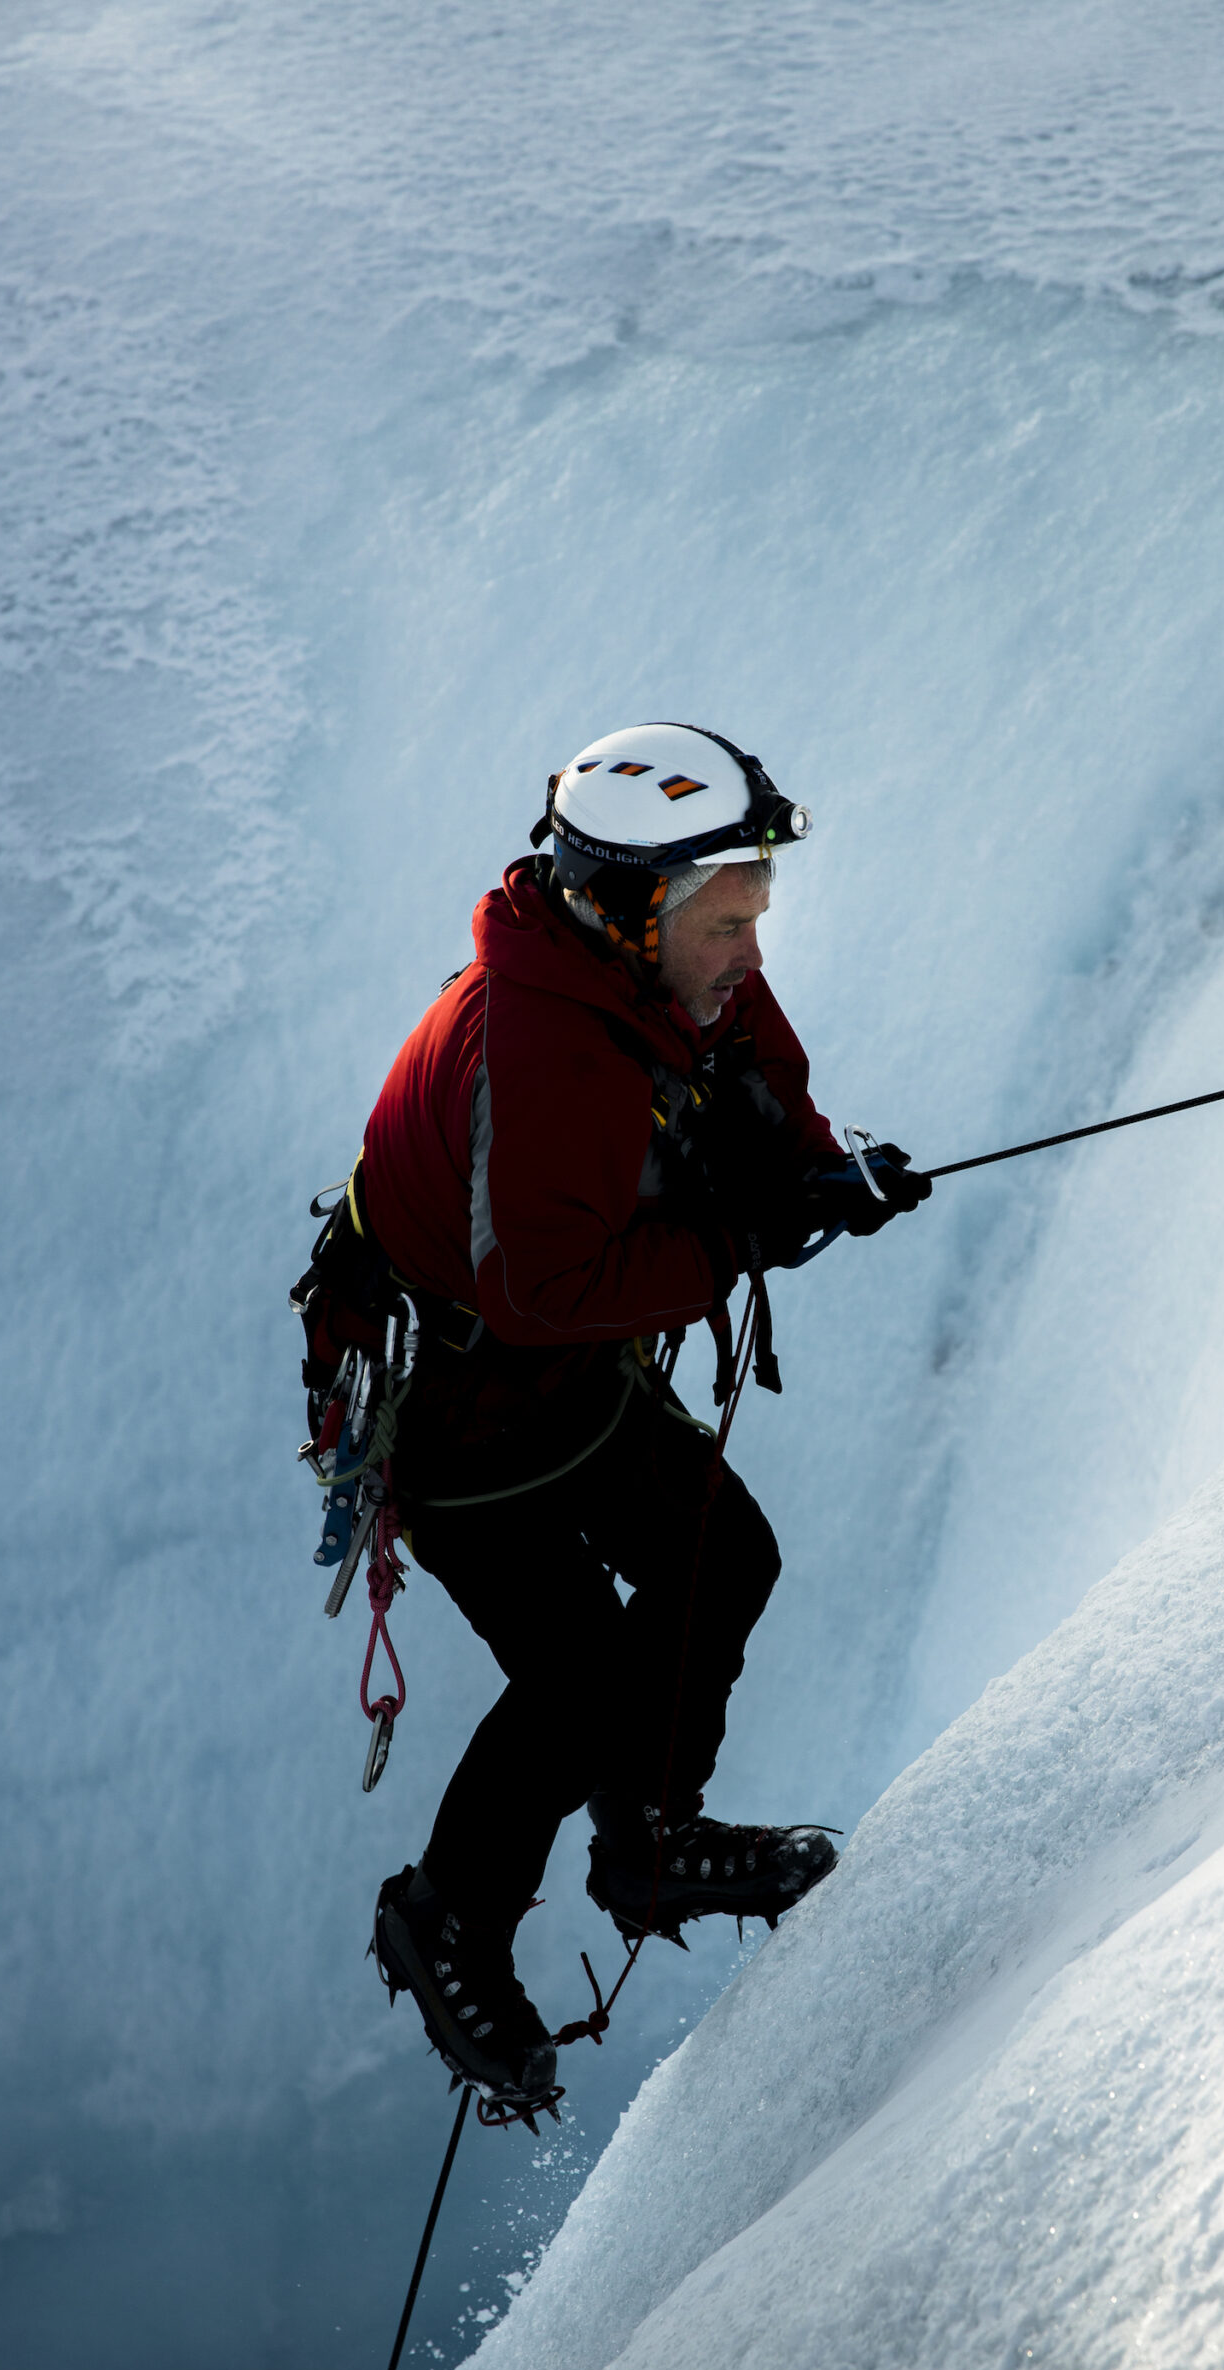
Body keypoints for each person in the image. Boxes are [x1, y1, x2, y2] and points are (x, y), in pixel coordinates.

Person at [319, 724, 929, 2111]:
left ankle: (649, 1836)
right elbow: (538, 1287)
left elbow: (758, 1071)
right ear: (632, 908)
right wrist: (741, 1241)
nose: (749, 941)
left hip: (563, 1369)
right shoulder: (547, 1054)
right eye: (727, 916)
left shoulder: (670, 969)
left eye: (756, 907)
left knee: (724, 1555)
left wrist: (824, 1176)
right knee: (584, 1677)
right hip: (463, 1400)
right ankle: (448, 1917)